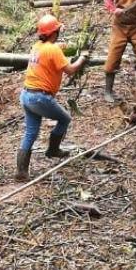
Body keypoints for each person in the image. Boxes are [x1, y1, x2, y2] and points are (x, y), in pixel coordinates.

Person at [18, 14, 90, 180]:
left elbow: (53, 52)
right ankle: (53, 150)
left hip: (27, 95)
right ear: (54, 33)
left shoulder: (37, 46)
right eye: (57, 30)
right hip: (40, 98)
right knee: (65, 119)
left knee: (30, 133)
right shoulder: (53, 50)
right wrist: (82, 58)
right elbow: (71, 69)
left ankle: (21, 172)